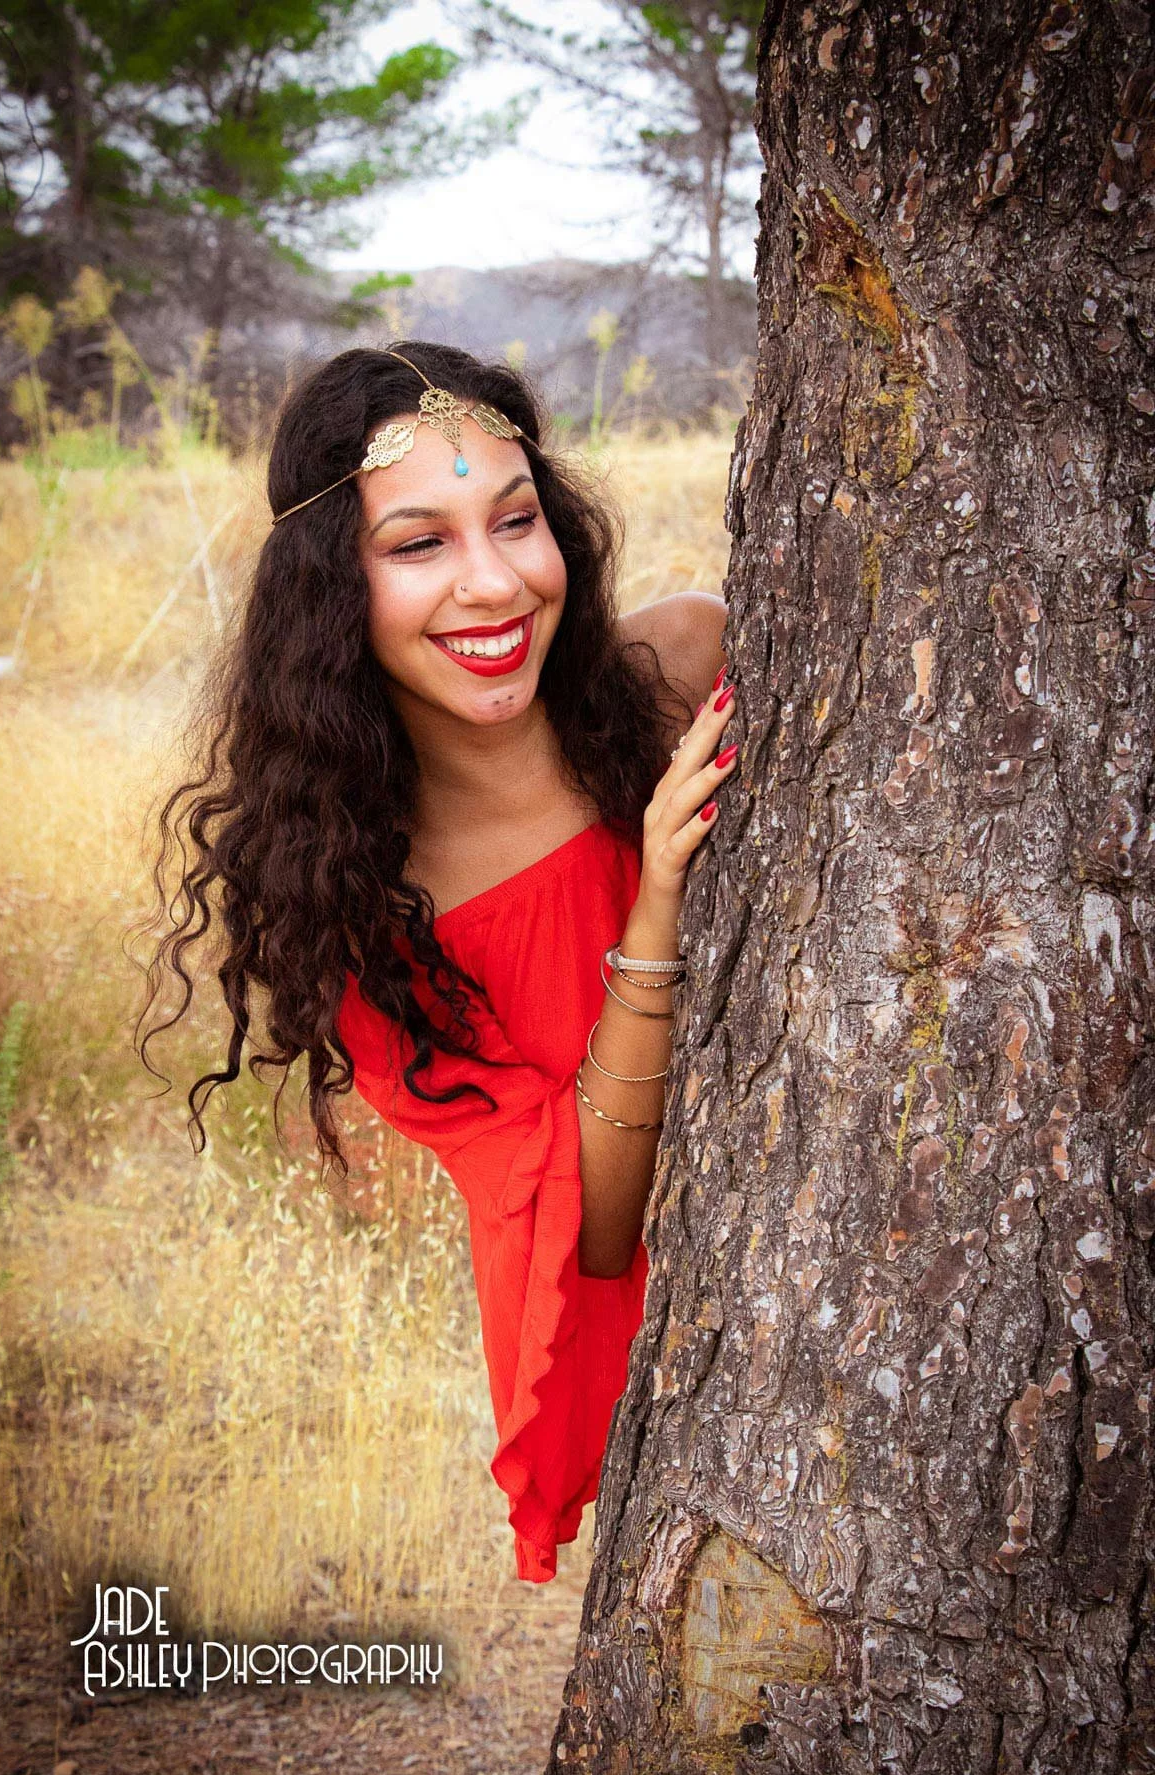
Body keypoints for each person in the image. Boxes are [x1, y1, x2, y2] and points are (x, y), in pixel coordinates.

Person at [139, 340, 736, 1583]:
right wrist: (657, 902)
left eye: (515, 522)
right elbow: (601, 1229)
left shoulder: (683, 670)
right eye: (419, 545)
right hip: (679, 1357)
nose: (492, 583)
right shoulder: (360, 917)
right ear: (330, 589)